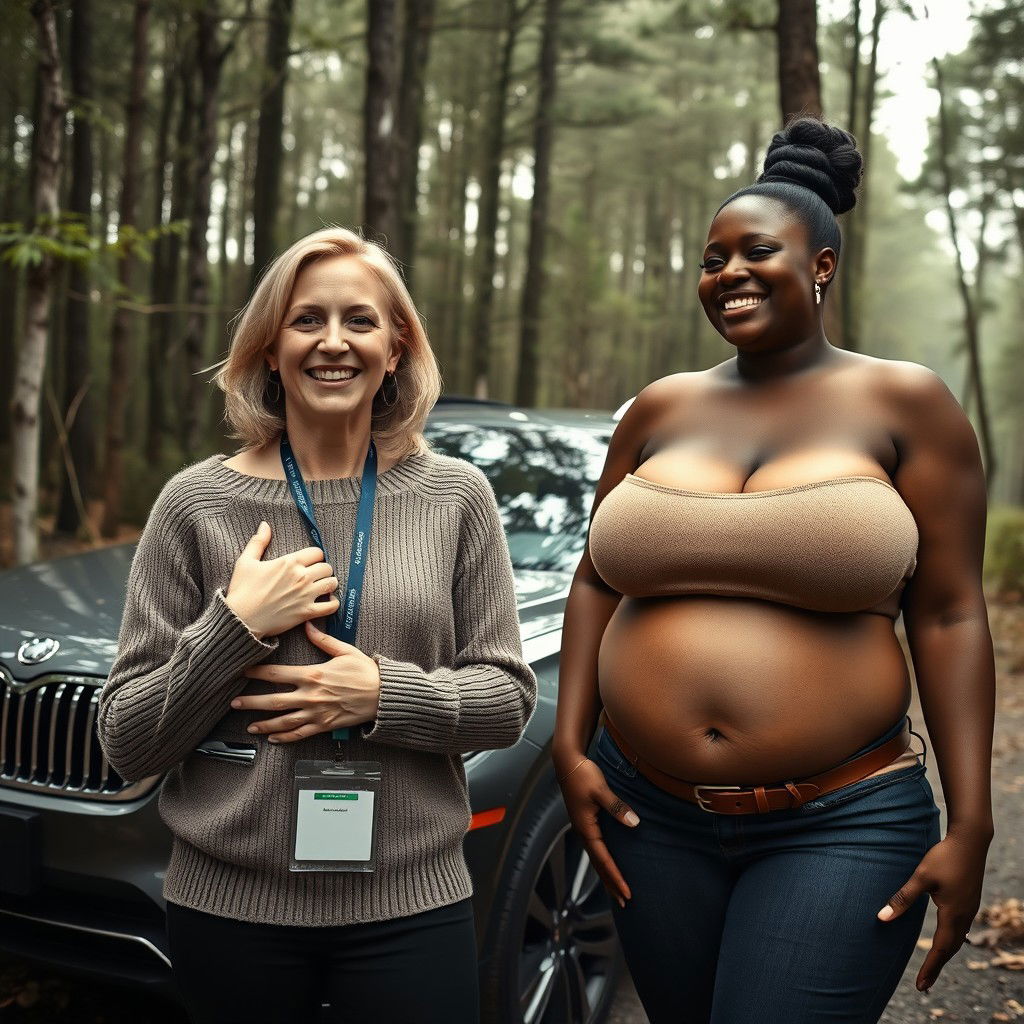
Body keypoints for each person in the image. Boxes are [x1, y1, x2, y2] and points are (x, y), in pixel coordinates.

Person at [553, 118, 994, 1024]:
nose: (728, 275)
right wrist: (569, 746)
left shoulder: (904, 399)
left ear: (822, 265)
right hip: (647, 814)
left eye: (758, 251)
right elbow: (598, 576)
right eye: (712, 260)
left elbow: (949, 615)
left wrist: (972, 822)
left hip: (840, 820)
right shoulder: (661, 406)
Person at [97, 226, 536, 1024]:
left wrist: (381, 696)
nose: (332, 342)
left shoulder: (456, 498)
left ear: (396, 348)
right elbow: (126, 741)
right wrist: (234, 626)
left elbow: (506, 700)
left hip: (411, 899)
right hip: (231, 906)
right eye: (306, 320)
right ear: (270, 348)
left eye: (360, 321)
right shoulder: (194, 505)